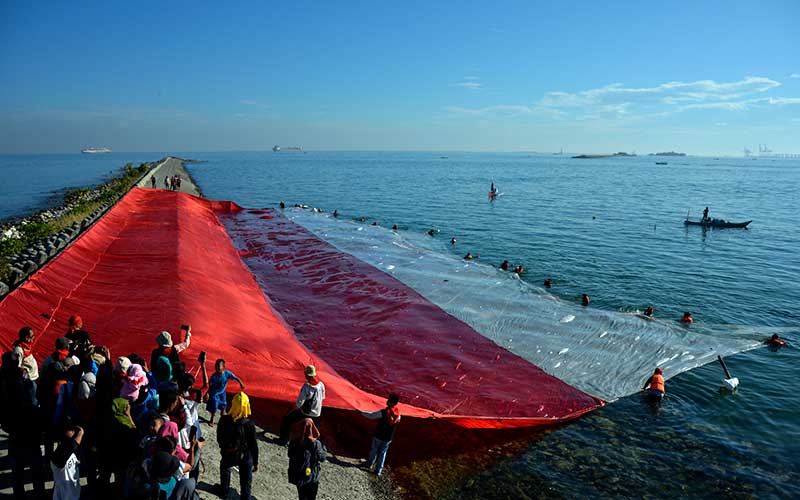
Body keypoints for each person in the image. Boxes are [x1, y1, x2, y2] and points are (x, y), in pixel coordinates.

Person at [1, 350, 45, 499]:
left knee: (17, 471)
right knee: (35, 470)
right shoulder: (26, 384)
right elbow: (35, 403)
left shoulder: (4, 382)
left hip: (15, 431)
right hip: (30, 431)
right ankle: (39, 494)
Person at [216, 392, 259, 499]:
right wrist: (256, 461)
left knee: (225, 469)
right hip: (245, 455)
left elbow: (219, 437)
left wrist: (224, 448)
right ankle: (245, 497)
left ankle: (224, 491)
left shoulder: (224, 419)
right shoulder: (249, 424)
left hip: (228, 453)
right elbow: (253, 444)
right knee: (246, 480)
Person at [279, 365, 326, 445]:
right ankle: (315, 444)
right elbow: (323, 397)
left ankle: (284, 440)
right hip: (317, 414)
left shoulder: (306, 386)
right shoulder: (321, 384)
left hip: (306, 413)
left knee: (287, 419)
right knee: (315, 430)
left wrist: (289, 410)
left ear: (307, 375)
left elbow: (299, 403)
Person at [361, 393, 401, 476]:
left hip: (379, 435)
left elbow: (371, 416)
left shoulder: (384, 412)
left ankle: (369, 464)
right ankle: (378, 470)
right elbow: (397, 421)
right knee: (383, 453)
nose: (387, 401)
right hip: (388, 438)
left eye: (388, 399)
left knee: (374, 450)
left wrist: (360, 411)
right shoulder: (398, 415)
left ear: (390, 402)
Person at [287, 418, 326, 500]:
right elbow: (322, 458)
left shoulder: (294, 440)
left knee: (301, 496)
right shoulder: (315, 443)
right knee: (311, 497)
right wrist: (324, 448)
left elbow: (289, 454)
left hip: (298, 474)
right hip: (311, 476)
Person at [204, 358, 245, 426]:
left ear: (223, 367)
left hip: (222, 393)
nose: (217, 368)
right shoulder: (214, 376)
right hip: (215, 394)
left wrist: (241, 383)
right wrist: (207, 393)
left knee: (223, 407)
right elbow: (209, 385)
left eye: (218, 366)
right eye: (216, 366)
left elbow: (236, 378)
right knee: (214, 407)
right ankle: (211, 420)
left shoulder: (227, 373)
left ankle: (222, 420)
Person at [51, 425, 84, 500]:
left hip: (74, 494)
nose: (73, 431)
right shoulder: (58, 454)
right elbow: (73, 446)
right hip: (63, 496)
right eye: (70, 429)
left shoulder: (72, 448)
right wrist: (81, 433)